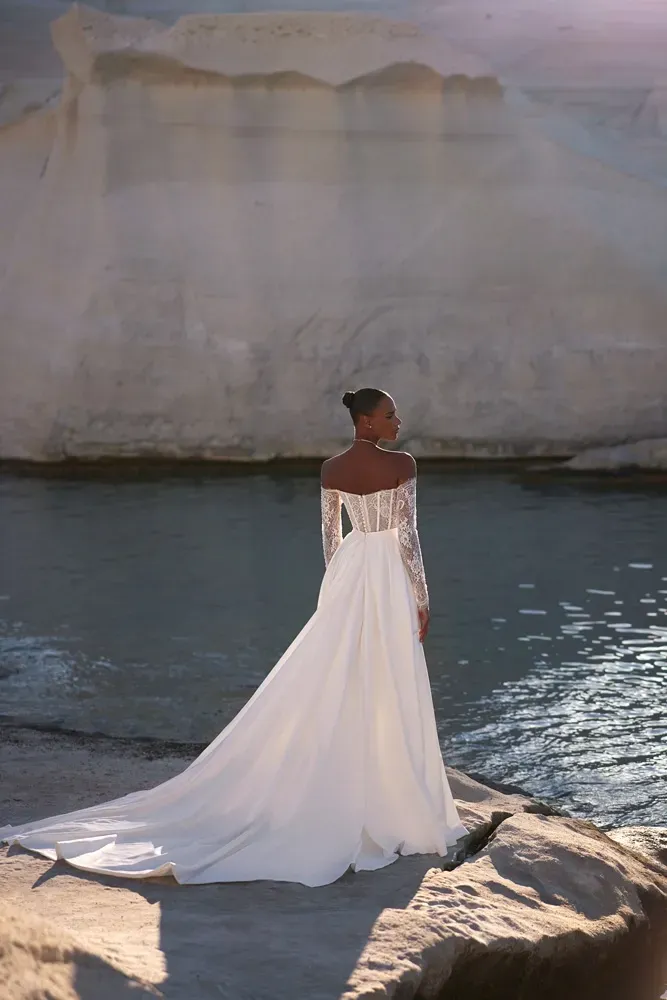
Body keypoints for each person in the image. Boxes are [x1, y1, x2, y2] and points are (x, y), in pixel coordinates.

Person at [0, 388, 467, 887]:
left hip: (351, 573)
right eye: (390, 415)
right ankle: (396, 797)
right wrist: (421, 597)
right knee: (391, 676)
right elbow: (409, 537)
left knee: (339, 676)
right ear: (368, 423)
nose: (399, 421)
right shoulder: (403, 465)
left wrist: (336, 590)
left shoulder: (331, 470)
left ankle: (356, 782)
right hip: (387, 574)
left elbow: (331, 540)